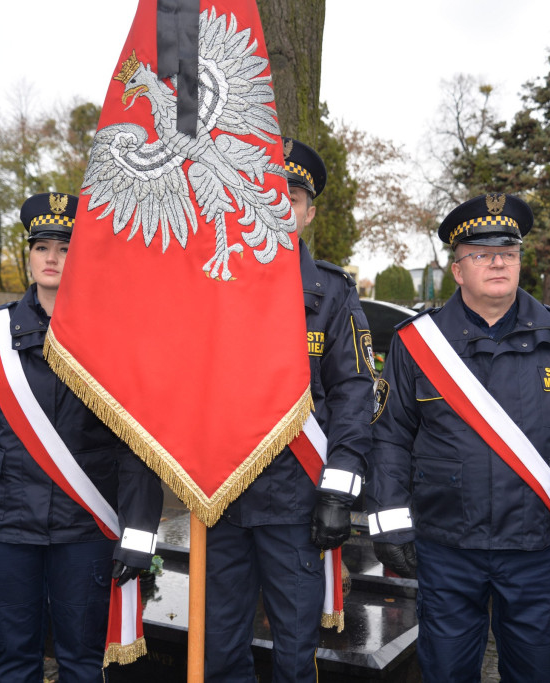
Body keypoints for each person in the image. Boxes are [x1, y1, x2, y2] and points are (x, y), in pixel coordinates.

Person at [365, 193, 550, 681]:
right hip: (447, 547)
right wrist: (390, 525)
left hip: (534, 547)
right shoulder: (416, 343)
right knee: (445, 671)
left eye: (507, 253)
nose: (497, 263)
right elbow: (390, 440)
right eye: (481, 254)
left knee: (533, 673)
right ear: (458, 269)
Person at [0, 192, 164, 681]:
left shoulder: (114, 339)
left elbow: (137, 446)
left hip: (85, 530)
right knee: (13, 661)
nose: (52, 257)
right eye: (42, 247)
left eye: (65, 247)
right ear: (29, 255)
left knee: (81, 661)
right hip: (5, 528)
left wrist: (138, 536)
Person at [204, 138, 375, 683]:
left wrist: (337, 493)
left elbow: (354, 393)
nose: (278, 206)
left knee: (296, 656)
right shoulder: (210, 282)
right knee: (220, 651)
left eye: (292, 197)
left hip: (296, 502)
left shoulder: (333, 293)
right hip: (219, 498)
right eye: (265, 193)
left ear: (307, 212)